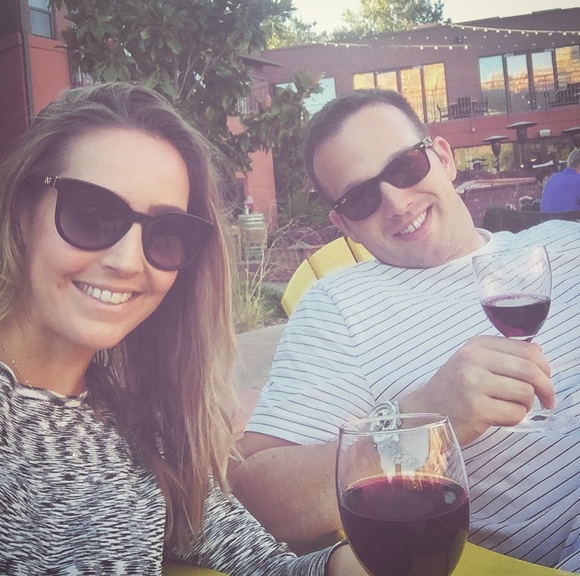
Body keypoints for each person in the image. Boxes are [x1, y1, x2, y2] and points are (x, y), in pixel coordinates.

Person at [0, 82, 365, 575]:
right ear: (23, 211)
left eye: (166, 233)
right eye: (93, 214)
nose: (128, 262)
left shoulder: (143, 428)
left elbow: (265, 565)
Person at [231, 89, 580, 571]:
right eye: (361, 198)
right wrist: (418, 423)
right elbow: (252, 496)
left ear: (443, 158)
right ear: (344, 224)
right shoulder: (341, 307)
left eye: (404, 167)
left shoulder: (565, 245)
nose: (395, 203)